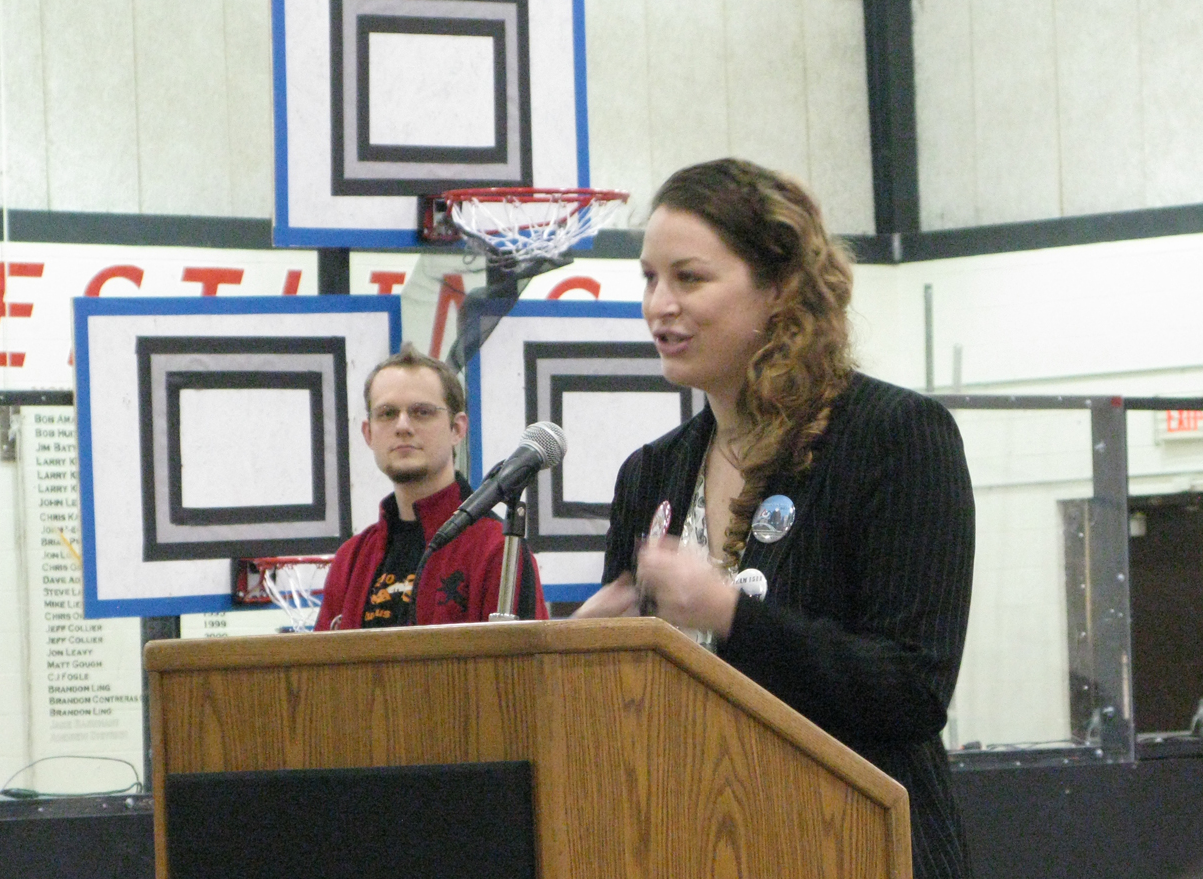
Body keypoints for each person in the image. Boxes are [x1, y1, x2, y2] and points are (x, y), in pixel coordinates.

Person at [574, 159, 976, 879]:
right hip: (692, 842)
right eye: (648, 278)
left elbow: (912, 689)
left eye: (689, 278)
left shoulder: (895, 435)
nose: (659, 304)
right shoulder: (650, 474)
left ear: (780, 288)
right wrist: (588, 653)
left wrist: (731, 613)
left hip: (854, 845)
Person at [314, 344, 547, 630]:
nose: (402, 425)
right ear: (368, 433)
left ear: (457, 429)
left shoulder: (498, 550)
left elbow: (524, 670)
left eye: (421, 412)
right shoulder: (350, 560)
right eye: (387, 413)